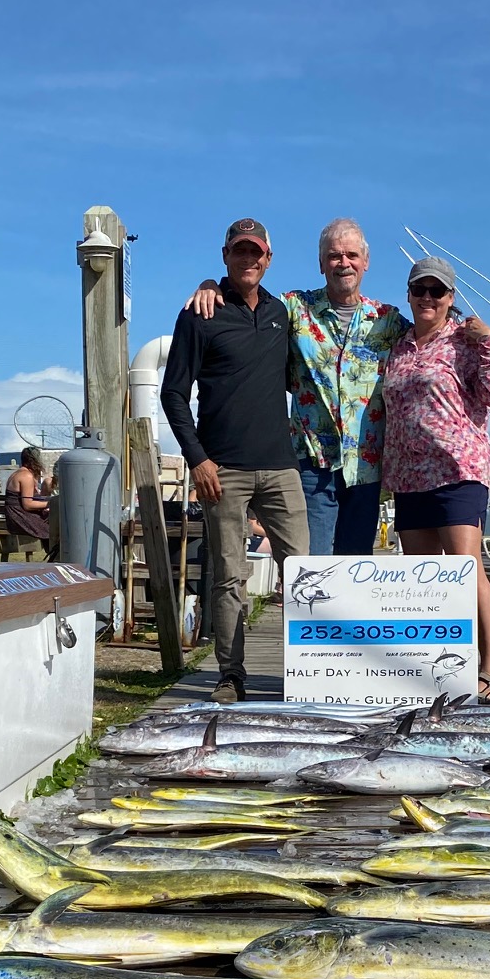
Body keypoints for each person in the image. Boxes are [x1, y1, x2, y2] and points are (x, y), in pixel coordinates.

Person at [187, 218, 406, 556]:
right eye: (334, 256)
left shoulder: (388, 320)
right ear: (321, 264)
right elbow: (247, 296)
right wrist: (209, 285)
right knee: (310, 573)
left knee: (354, 574)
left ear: (365, 262)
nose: (343, 263)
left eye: (351, 255)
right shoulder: (294, 308)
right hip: (312, 467)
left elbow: (431, 332)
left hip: (365, 470)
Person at [162, 216, 309, 703]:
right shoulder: (199, 314)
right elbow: (173, 394)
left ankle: (313, 673)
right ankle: (232, 674)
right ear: (225, 255)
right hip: (222, 469)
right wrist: (198, 460)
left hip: (282, 465)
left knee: (304, 575)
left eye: (257, 252)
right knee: (229, 576)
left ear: (268, 258)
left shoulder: (283, 313)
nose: (249, 259)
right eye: (239, 251)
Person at [381, 256, 490, 699]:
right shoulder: (398, 346)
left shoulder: (466, 341)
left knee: (464, 568)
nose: (429, 298)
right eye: (421, 290)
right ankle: (433, 667)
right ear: (410, 295)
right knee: (422, 577)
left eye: (438, 291)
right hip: (408, 476)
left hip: (458, 470)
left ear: (451, 298)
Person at [2, 446, 51, 560]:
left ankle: (53, 556)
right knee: (53, 528)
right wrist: (50, 504)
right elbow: (28, 504)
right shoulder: (26, 476)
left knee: (51, 523)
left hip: (14, 515)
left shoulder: (18, 473)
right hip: (19, 517)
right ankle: (56, 558)